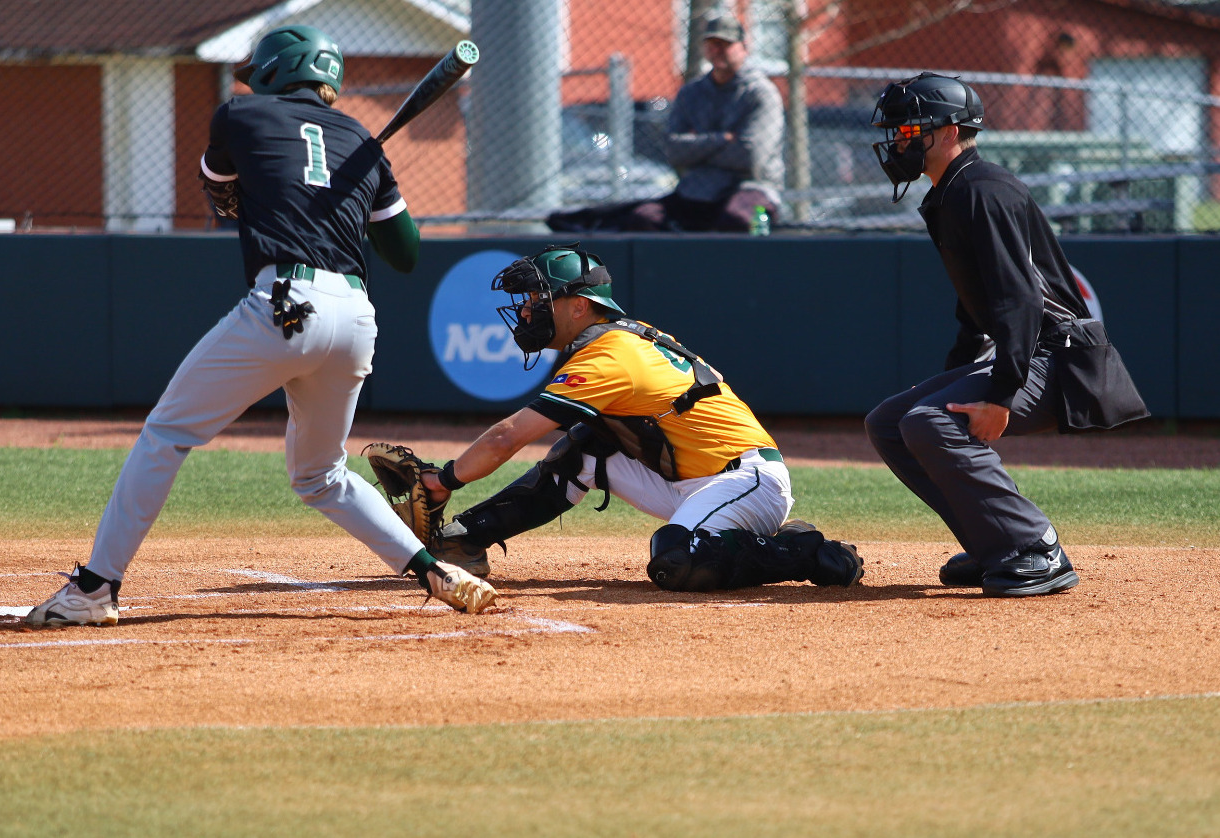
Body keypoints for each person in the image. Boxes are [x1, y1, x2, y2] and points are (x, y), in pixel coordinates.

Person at [25, 25, 496, 625]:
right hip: (355, 318)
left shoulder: (239, 115)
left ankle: (94, 589)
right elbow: (406, 253)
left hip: (286, 302)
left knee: (167, 433)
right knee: (321, 476)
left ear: (276, 71)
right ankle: (434, 569)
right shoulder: (362, 142)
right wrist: (364, 176)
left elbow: (220, 189)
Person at [413, 243, 862, 593]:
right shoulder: (618, 340)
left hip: (745, 480)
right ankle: (466, 537)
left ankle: (799, 551)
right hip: (692, 477)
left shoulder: (611, 354)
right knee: (584, 448)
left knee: (676, 559)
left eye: (539, 297)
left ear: (579, 305)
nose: (527, 309)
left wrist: (444, 480)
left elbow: (506, 438)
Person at [864, 72, 1148, 597]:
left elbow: (1018, 300)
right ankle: (994, 541)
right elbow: (977, 305)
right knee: (889, 422)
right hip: (1035, 351)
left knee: (930, 425)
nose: (898, 139)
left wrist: (999, 395)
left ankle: (1035, 546)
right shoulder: (953, 189)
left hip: (1062, 356)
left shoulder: (981, 189)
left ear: (948, 132)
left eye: (910, 129)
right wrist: (960, 372)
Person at [547, 12, 784, 234]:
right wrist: (722, 139)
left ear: (743, 48)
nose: (718, 50)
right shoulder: (692, 92)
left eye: (726, 44)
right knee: (645, 217)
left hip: (751, 187)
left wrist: (696, 148)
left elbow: (750, 155)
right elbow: (674, 150)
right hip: (698, 188)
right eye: (712, 44)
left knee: (737, 220)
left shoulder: (760, 93)